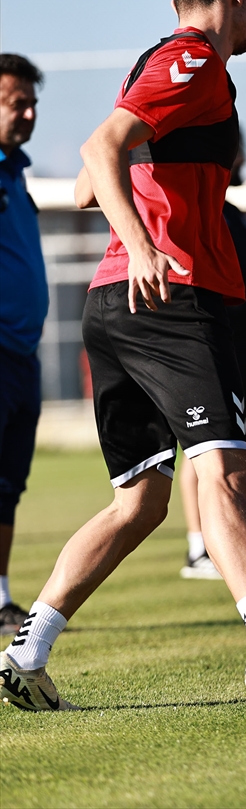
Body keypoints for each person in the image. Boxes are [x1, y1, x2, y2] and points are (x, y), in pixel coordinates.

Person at [1, 0, 246, 714]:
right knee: (227, 470)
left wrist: (137, 209)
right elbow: (100, 150)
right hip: (172, 300)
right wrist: (145, 244)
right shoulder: (192, 60)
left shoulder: (156, 64)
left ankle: (27, 652)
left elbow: (89, 185)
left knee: (141, 501)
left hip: (116, 306)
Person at [178, 133, 246, 580]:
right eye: (236, 148)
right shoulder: (198, 211)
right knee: (204, 448)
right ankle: (199, 549)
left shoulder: (234, 216)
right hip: (208, 343)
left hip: (241, 346)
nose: (242, 159)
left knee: (235, 452)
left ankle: (232, 550)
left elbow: (245, 291)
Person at [0, 54, 47, 637]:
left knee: (8, 483)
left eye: (33, 104)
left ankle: (1, 596)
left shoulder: (16, 173)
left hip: (21, 355)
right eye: (18, 103)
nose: (30, 114)